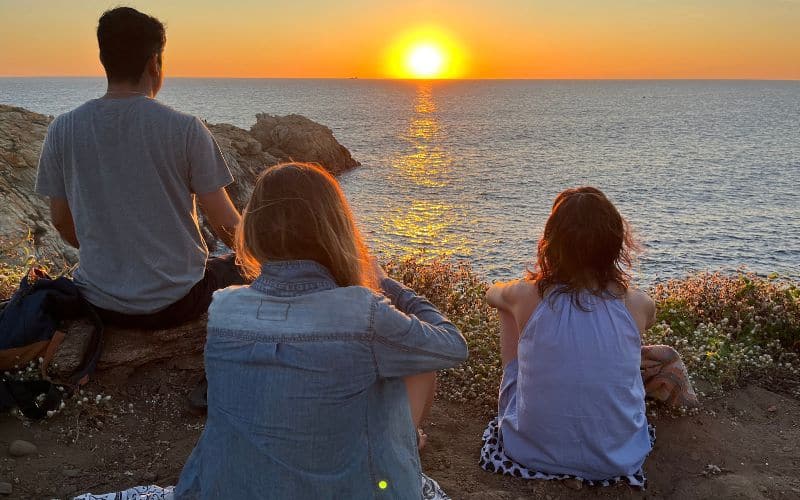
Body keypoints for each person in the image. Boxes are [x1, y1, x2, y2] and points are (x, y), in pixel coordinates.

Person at [167, 162, 467, 499]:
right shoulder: (363, 313)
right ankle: (404, 444)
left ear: (254, 228)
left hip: (225, 488)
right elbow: (452, 346)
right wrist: (386, 283)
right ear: (335, 229)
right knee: (410, 360)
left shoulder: (224, 308)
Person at [34, 7, 244, 331]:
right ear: (154, 63)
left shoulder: (63, 129)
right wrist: (268, 256)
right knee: (237, 266)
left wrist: (112, 255)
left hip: (100, 303)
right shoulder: (186, 129)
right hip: (179, 302)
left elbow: (61, 220)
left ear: (103, 60)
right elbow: (226, 225)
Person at [481, 187, 655, 487]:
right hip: (617, 458)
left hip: (528, 451)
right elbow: (644, 324)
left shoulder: (527, 295)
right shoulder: (638, 303)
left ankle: (525, 400)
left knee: (507, 310)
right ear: (615, 245)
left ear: (552, 243)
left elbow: (491, 294)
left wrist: (514, 291)